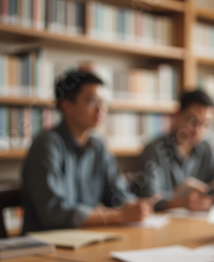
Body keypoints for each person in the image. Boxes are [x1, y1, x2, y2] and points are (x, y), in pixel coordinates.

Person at [22, 70, 151, 233]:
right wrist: (119, 216)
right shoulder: (47, 144)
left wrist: (134, 206)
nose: (101, 109)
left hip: (85, 237)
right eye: (92, 102)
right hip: (46, 244)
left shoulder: (98, 146)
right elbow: (54, 213)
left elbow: (116, 195)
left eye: (103, 103)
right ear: (67, 106)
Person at [133, 89, 214, 211]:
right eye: (193, 121)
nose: (198, 130)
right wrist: (183, 203)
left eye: (206, 124)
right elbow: (147, 199)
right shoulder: (153, 150)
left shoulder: (208, 147)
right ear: (177, 116)